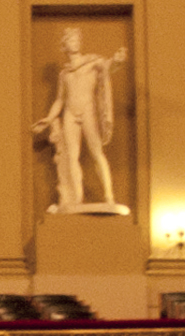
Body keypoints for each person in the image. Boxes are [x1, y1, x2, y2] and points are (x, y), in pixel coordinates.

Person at [39, 25, 129, 212]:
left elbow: (107, 67)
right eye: (71, 39)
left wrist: (117, 60)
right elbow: (60, 99)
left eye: (77, 39)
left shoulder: (91, 63)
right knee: (71, 156)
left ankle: (109, 196)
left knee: (97, 153)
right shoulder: (64, 74)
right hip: (70, 114)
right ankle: (76, 199)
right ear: (65, 45)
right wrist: (48, 119)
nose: (76, 42)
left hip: (88, 111)